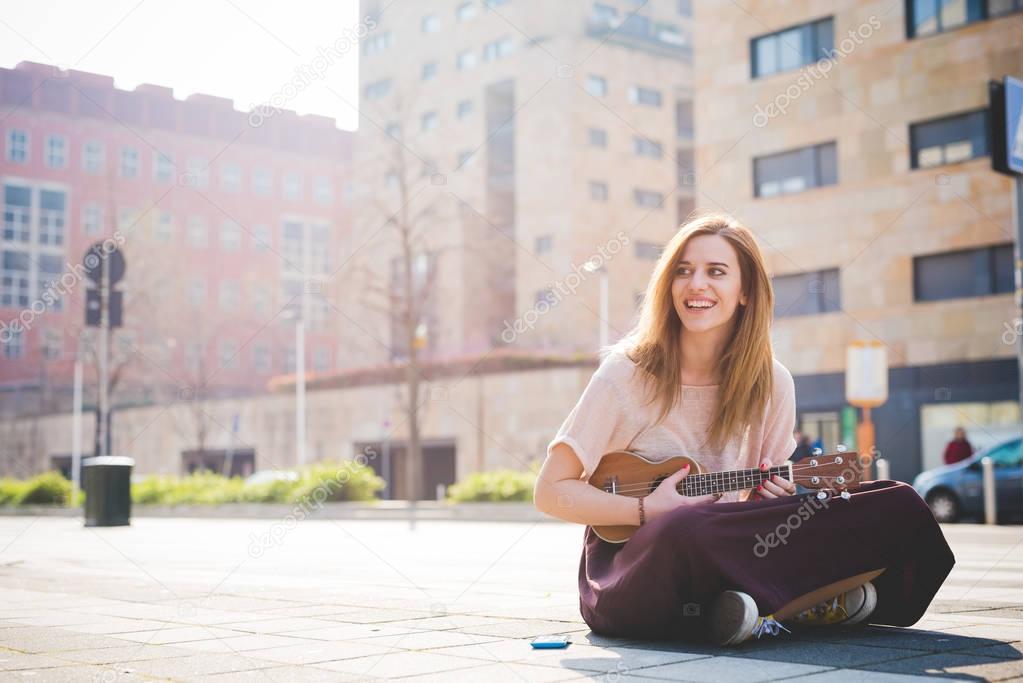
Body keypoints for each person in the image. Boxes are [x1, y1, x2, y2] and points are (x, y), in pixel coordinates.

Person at [534, 214, 955, 646]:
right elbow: (549, 491)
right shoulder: (625, 375)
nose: (696, 283)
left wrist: (771, 497)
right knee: (686, 527)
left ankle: (745, 610)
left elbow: (757, 513)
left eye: (716, 271)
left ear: (746, 293)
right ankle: (802, 605)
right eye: (683, 270)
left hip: (727, 544)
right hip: (631, 569)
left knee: (899, 502)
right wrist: (644, 513)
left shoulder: (772, 383)